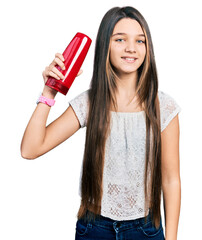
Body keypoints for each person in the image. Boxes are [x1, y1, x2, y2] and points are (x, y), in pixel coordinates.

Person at [21, 6, 181, 240]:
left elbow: (171, 179)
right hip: (94, 229)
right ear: (105, 45)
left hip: (145, 231)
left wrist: (173, 238)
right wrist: (49, 91)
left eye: (140, 41)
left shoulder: (163, 106)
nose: (131, 48)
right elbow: (30, 149)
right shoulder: (90, 102)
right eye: (120, 39)